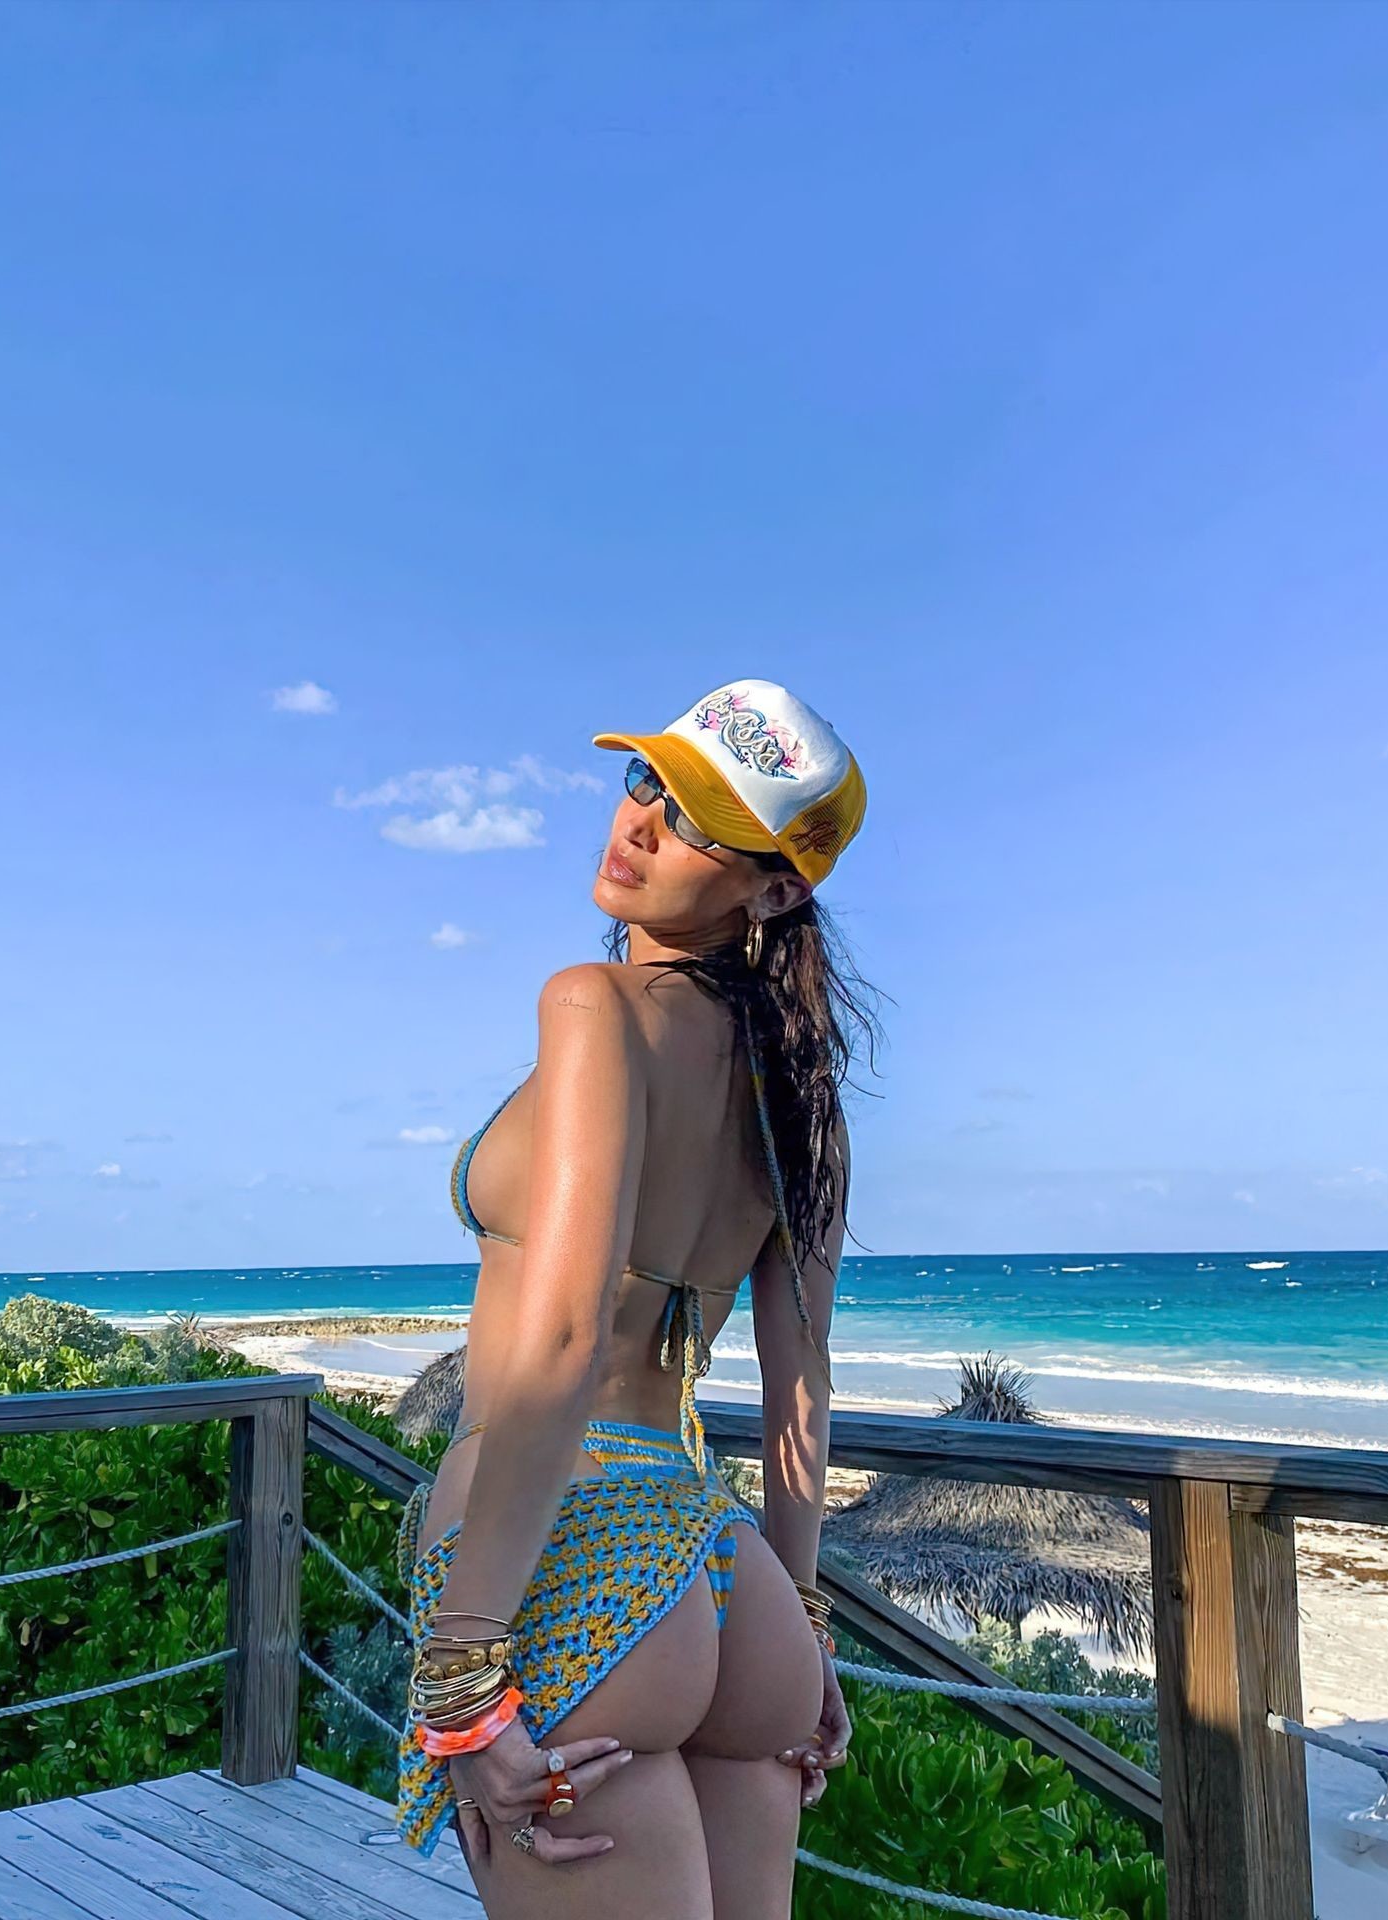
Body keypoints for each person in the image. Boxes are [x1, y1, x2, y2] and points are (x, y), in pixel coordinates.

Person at [395, 677, 879, 1919]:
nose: (643, 822)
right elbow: (802, 1397)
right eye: (646, 780)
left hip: (574, 1558)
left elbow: (561, 1338)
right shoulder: (802, 1098)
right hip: (725, 1569)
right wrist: (804, 1624)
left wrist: (462, 1668)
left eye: (698, 817)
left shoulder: (592, 1005)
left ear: (775, 891)